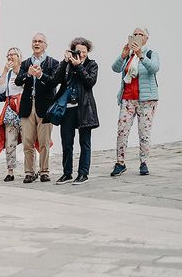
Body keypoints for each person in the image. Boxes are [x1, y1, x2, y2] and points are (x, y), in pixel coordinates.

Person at [110, 27, 160, 177]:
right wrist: (122, 55)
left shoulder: (151, 54)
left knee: (144, 132)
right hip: (127, 98)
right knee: (122, 131)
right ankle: (120, 163)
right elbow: (115, 68)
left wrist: (141, 56)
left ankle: (143, 163)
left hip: (146, 100)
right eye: (135, 34)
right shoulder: (128, 55)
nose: (137, 36)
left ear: (146, 38)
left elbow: (155, 68)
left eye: (141, 34)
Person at [52, 37, 99, 185]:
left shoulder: (92, 65)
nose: (82, 54)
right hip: (67, 109)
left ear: (88, 51)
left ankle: (83, 173)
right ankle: (67, 173)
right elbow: (56, 79)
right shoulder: (67, 65)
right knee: (67, 142)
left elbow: (90, 82)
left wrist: (79, 66)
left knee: (84, 142)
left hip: (84, 108)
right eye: (79, 51)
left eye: (84, 51)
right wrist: (65, 62)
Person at [15, 33, 59, 183]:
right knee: (27, 141)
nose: (37, 43)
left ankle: (44, 171)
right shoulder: (26, 62)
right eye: (34, 41)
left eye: (40, 41)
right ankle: (29, 171)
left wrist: (40, 75)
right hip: (28, 106)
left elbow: (54, 82)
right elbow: (17, 81)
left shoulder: (53, 63)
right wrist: (28, 74)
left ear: (46, 45)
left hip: (45, 106)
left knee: (44, 141)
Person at [0, 47, 24, 181]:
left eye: (13, 54)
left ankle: (31, 169)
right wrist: (4, 71)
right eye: (8, 55)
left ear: (19, 56)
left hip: (24, 110)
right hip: (11, 111)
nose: (10, 57)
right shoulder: (9, 74)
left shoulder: (25, 71)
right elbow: (0, 89)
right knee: (10, 142)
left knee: (29, 141)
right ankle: (10, 171)